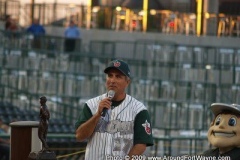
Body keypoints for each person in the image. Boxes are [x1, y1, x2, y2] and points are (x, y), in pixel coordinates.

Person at [75, 59, 153, 160]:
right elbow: (79, 136)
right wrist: (97, 115)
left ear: (127, 82)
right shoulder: (91, 105)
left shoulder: (139, 109)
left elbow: (141, 144)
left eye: (118, 76)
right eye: (110, 75)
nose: (112, 80)